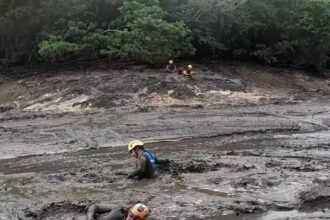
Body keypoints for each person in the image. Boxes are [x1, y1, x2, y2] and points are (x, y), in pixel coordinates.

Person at [74, 203, 150, 220]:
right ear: (129, 211)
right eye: (132, 215)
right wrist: (90, 218)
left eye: (136, 219)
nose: (131, 219)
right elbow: (94, 206)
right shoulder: (117, 209)